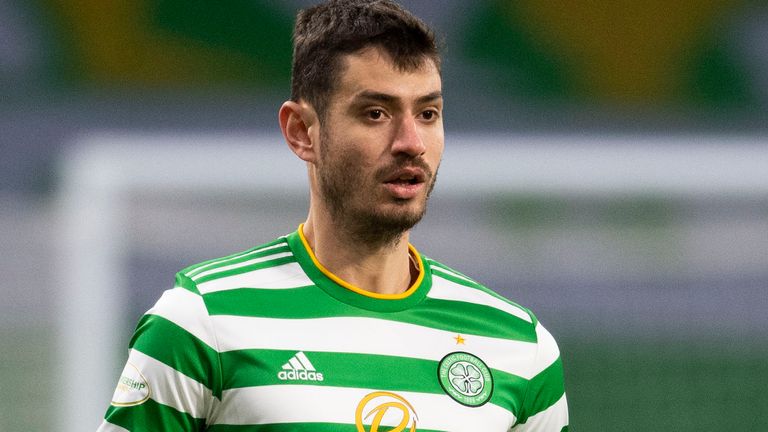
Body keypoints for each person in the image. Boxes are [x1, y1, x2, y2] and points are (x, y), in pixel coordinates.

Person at [97, 1, 569, 430]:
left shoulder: (520, 347)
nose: (411, 142)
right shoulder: (201, 322)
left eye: (427, 114)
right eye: (376, 113)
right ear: (301, 131)